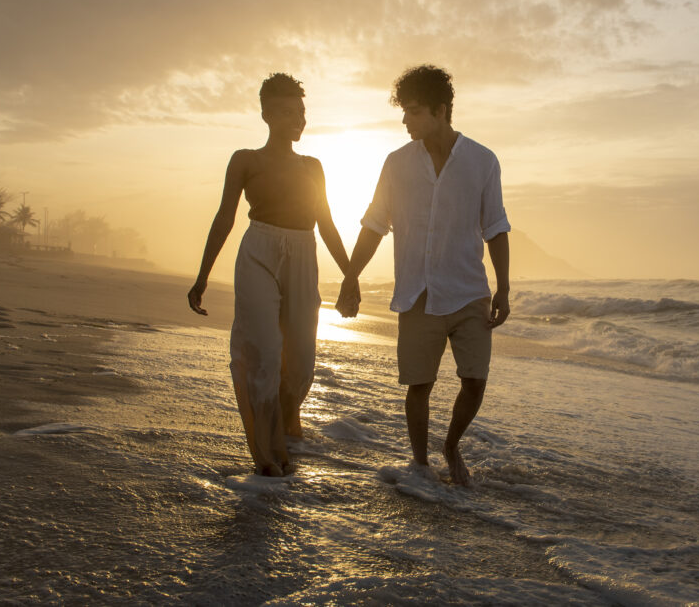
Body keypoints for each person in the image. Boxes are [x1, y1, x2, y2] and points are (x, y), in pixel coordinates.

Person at [337, 65, 511, 486]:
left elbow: (496, 227)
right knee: (419, 384)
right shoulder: (396, 164)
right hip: (417, 293)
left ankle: (451, 445)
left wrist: (503, 287)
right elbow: (375, 224)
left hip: (468, 290)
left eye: (413, 111)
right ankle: (419, 464)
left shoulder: (483, 161)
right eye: (404, 111)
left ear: (441, 109)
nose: (404, 120)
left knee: (474, 382)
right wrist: (350, 275)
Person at [188, 73, 350, 477]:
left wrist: (351, 275)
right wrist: (203, 275)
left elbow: (327, 223)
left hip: (303, 253)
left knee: (300, 361)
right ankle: (269, 454)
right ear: (266, 114)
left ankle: (287, 426)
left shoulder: (313, 166)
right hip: (258, 250)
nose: (297, 120)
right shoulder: (246, 160)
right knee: (262, 351)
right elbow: (225, 216)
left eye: (302, 112)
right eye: (287, 111)